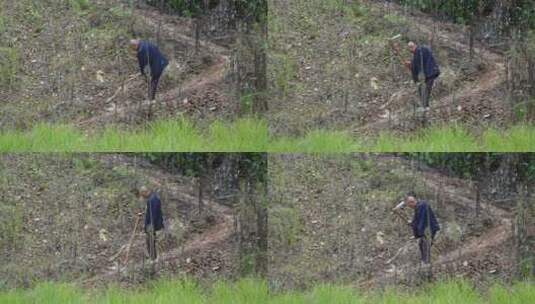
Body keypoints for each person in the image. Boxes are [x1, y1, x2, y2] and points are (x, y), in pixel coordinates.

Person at [404, 194, 440, 266]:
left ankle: (426, 264)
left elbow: (421, 222)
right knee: (422, 244)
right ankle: (424, 261)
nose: (410, 207)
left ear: (411, 202)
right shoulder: (418, 207)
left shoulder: (422, 205)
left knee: (425, 245)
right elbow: (417, 220)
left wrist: (418, 233)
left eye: (409, 205)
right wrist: (412, 223)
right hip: (427, 229)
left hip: (429, 229)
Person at [405, 42, 440, 110]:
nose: (411, 52)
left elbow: (417, 65)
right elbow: (418, 63)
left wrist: (410, 65)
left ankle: (425, 107)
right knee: (423, 90)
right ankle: (425, 106)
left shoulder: (419, 51)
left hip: (429, 74)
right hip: (430, 73)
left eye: (410, 49)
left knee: (424, 90)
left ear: (412, 47)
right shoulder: (422, 49)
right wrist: (411, 64)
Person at [140, 186, 164, 260]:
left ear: (145, 192)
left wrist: (150, 226)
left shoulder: (152, 200)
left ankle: (153, 259)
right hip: (153, 225)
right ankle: (153, 258)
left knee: (151, 243)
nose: (143, 197)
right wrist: (144, 213)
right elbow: (150, 212)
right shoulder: (152, 198)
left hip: (153, 226)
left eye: (143, 195)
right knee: (151, 243)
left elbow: (153, 214)